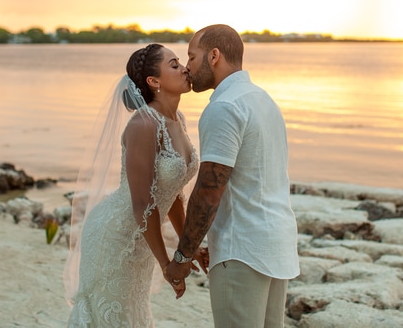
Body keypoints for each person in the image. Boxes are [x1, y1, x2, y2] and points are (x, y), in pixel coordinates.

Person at [164, 24, 300, 327]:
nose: (188, 67)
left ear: (214, 56)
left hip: (242, 249)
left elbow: (209, 190)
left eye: (192, 56)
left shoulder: (224, 107)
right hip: (276, 242)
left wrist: (183, 257)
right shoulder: (263, 100)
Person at [64, 43, 207, 327]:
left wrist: (188, 247)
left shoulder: (178, 120)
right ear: (154, 82)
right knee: (113, 314)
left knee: (134, 312)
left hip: (142, 235)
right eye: (174, 64)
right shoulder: (143, 125)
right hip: (116, 235)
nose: (185, 69)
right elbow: (143, 202)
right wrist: (167, 265)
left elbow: (174, 194)